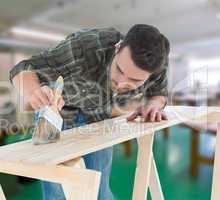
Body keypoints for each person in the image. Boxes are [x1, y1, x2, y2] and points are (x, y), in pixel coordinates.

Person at [10, 24, 170, 200]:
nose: (121, 83)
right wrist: (34, 91)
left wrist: (153, 104)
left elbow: (159, 94)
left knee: (99, 188)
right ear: (118, 47)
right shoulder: (84, 47)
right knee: (57, 191)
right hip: (57, 114)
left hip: (99, 117)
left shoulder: (157, 65)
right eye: (119, 69)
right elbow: (22, 68)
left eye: (134, 80)